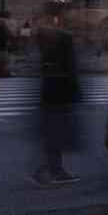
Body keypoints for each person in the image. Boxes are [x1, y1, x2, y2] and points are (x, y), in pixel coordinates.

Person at [34, 11, 82, 185]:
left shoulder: (45, 38)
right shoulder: (64, 38)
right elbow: (71, 67)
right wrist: (76, 92)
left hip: (49, 90)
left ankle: (50, 168)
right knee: (56, 132)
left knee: (52, 132)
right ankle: (52, 170)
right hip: (60, 92)